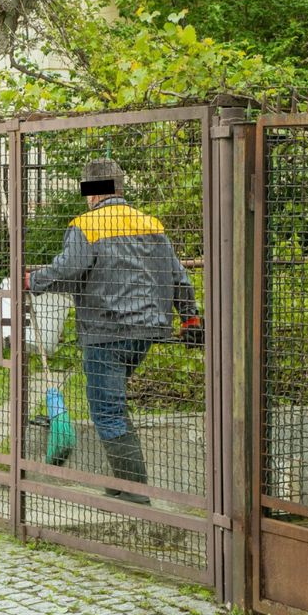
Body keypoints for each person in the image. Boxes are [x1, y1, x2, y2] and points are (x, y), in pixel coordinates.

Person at [25, 158, 203, 505]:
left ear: (92, 192)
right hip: (148, 331)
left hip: (106, 329)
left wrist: (34, 280)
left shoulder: (87, 225)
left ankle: (136, 491)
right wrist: (190, 318)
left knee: (106, 409)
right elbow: (179, 276)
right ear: (120, 188)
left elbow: (70, 269)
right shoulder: (150, 224)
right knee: (114, 405)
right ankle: (124, 481)